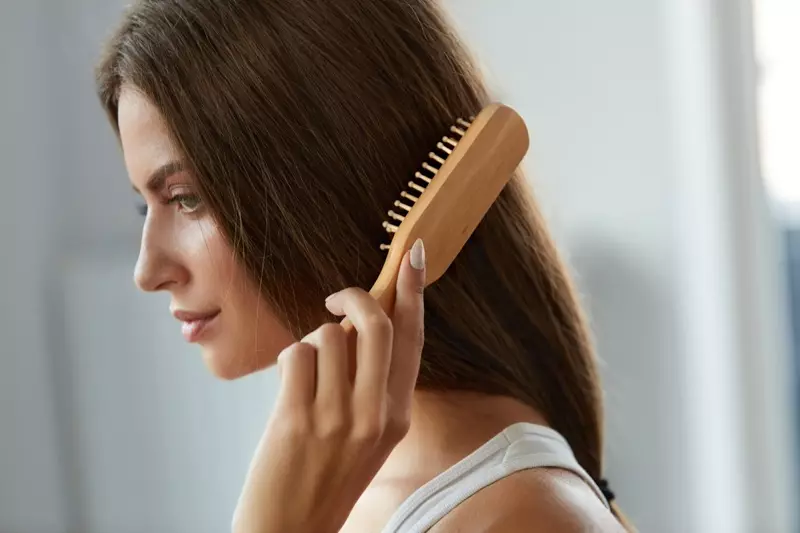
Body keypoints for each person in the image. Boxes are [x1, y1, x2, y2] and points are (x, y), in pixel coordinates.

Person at [95, 0, 632, 531]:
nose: (148, 270)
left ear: (333, 181)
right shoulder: (345, 478)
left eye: (187, 199)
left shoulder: (519, 518)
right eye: (146, 205)